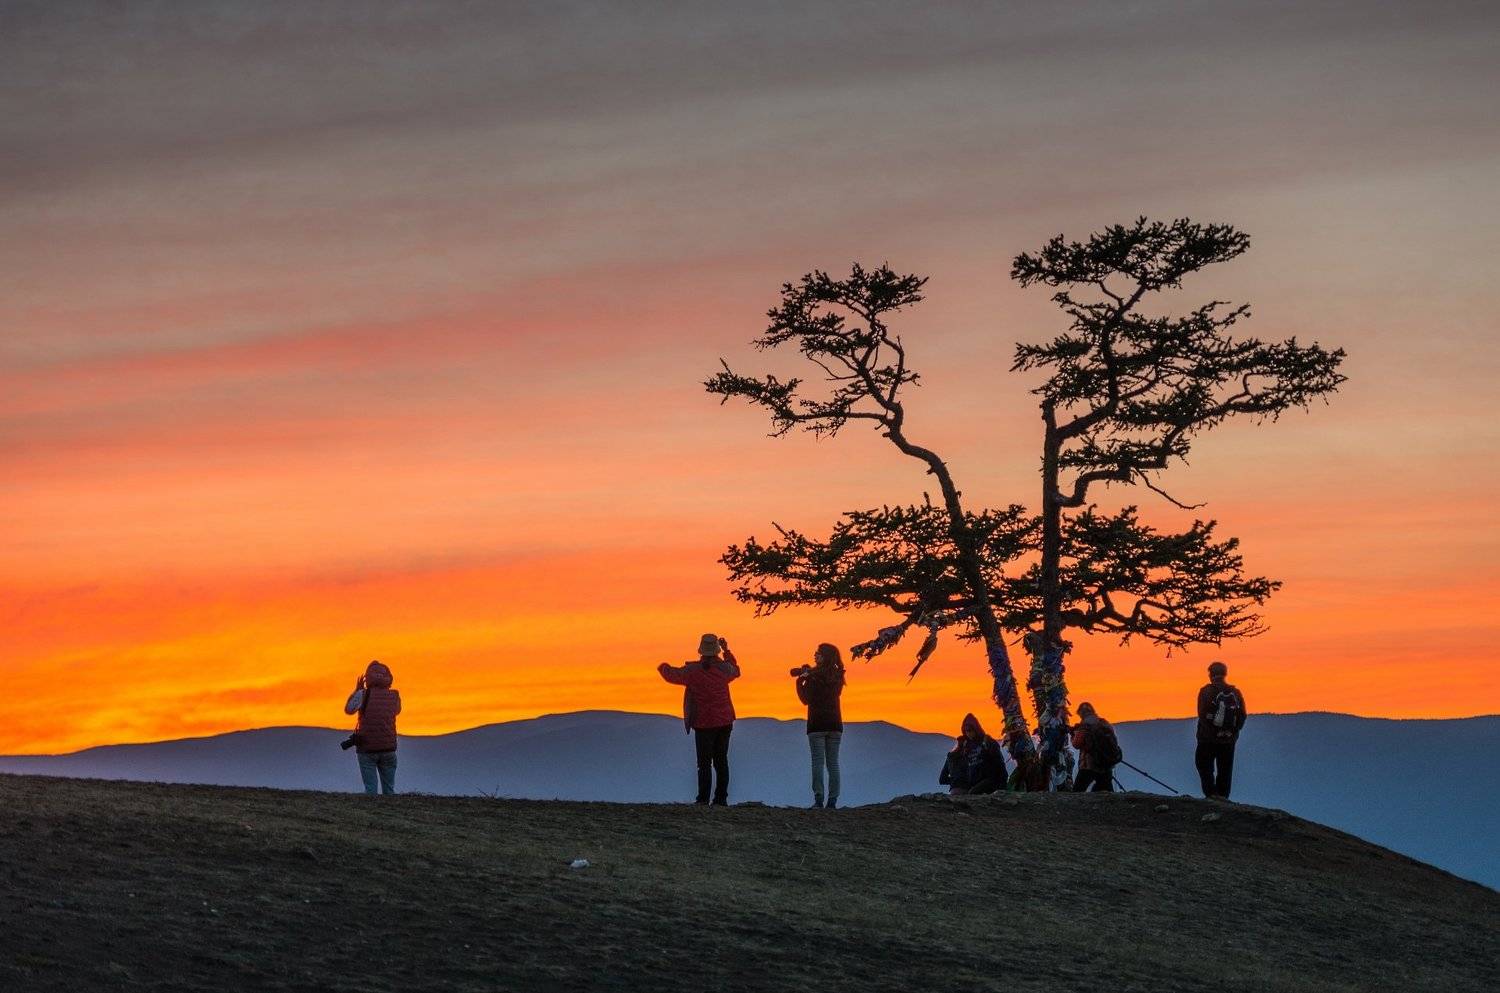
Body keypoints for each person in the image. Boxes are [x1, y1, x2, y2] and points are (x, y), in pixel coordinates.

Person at [658, 634, 740, 805]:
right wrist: (727, 651)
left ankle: (703, 799)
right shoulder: (724, 670)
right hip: (724, 721)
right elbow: (735, 669)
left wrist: (662, 666)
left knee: (704, 763)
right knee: (721, 761)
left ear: (701, 651)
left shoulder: (693, 672)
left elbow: (672, 675)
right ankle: (720, 799)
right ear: (716, 650)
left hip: (704, 723)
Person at [794, 643, 845, 809]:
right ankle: (833, 800)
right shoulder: (838, 675)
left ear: (824, 656)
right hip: (835, 724)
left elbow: (805, 700)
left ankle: (818, 799)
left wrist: (800, 681)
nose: (815, 655)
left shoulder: (814, 677)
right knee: (833, 764)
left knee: (817, 763)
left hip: (817, 724)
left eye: (818, 653)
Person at [343, 660, 402, 796]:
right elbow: (397, 711)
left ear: (367, 678)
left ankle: (372, 814)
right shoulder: (395, 695)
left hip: (367, 750)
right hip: (388, 749)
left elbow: (349, 709)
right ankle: (391, 814)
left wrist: (357, 690)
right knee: (389, 790)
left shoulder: (363, 694)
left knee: (370, 790)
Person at [1196, 660, 1247, 799]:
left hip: (1207, 739)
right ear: (1225, 674)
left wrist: (1212, 732)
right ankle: (1223, 797)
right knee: (1225, 770)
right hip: (1228, 740)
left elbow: (1202, 714)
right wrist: (1233, 732)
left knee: (1204, 766)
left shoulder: (1206, 691)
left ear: (1210, 674)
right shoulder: (1235, 692)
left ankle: (1211, 795)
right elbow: (1242, 715)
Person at [938, 713, 1009, 795]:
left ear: (976, 729)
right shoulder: (967, 747)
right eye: (965, 731)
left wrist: (1002, 783)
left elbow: (999, 763)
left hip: (990, 780)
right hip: (973, 784)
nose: (968, 733)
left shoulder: (987, 742)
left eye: (970, 730)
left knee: (972, 794)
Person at [1070, 701, 1121, 793]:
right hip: (1105, 763)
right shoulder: (1104, 723)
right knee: (1107, 789)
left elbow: (1076, 744)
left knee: (1077, 790)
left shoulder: (1084, 727)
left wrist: (1073, 735)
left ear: (1081, 714)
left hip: (1088, 765)